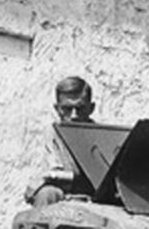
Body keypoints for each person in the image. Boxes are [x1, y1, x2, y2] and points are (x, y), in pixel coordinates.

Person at [27, 75, 97, 208]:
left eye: (80, 108)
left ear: (91, 108)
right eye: (67, 109)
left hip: (93, 195)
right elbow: (56, 172)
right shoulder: (53, 133)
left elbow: (99, 180)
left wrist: (45, 178)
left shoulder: (101, 135)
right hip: (62, 195)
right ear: (57, 109)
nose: (74, 115)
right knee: (46, 194)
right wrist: (52, 177)